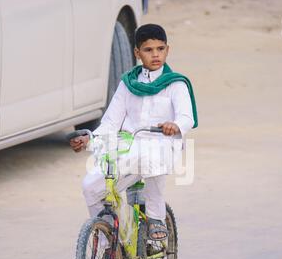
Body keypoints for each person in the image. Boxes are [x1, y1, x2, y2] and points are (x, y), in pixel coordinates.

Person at [69, 24, 198, 240]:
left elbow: (187, 116)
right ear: (137, 53)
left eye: (160, 48)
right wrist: (89, 138)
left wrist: (175, 125)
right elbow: (110, 122)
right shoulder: (128, 84)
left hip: (160, 143)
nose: (155, 54)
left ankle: (156, 217)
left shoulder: (175, 84)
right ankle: (107, 241)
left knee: (152, 161)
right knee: (90, 186)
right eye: (148, 50)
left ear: (168, 50)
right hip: (128, 146)